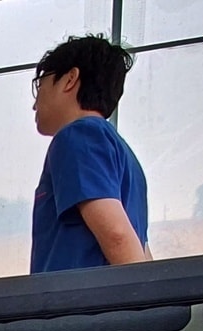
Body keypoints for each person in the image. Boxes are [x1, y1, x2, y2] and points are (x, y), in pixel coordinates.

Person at [29, 35, 150, 274]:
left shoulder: (77, 136)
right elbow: (141, 249)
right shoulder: (125, 155)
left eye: (40, 84)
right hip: (114, 306)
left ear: (70, 79)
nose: (35, 103)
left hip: (79, 307)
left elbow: (116, 234)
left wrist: (142, 296)